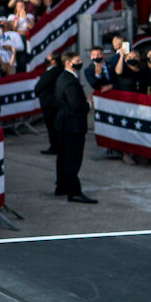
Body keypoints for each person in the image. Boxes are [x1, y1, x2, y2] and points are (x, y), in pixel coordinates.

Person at [54, 51, 96, 204]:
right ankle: (74, 191)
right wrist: (88, 104)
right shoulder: (70, 81)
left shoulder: (63, 77)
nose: (80, 63)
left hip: (64, 124)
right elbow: (76, 104)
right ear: (68, 63)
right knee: (72, 159)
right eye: (77, 60)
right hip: (72, 126)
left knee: (63, 157)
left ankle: (62, 186)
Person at [34, 53, 64, 155]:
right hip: (57, 103)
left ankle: (54, 147)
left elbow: (39, 87)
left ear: (53, 61)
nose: (46, 59)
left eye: (48, 58)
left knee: (51, 127)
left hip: (49, 104)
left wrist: (37, 92)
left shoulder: (50, 72)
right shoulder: (61, 70)